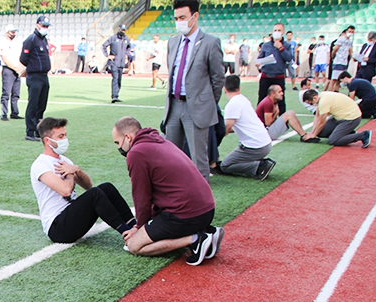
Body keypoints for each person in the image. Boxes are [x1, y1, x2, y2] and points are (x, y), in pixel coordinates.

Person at [112, 116, 222, 266]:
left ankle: (196, 239)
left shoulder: (136, 153)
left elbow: (142, 197)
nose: (119, 147)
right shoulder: (160, 140)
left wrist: (139, 227)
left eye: (118, 143)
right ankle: (207, 232)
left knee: (133, 245)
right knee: (152, 230)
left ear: (128, 137)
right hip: (206, 210)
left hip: (186, 215)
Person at [30, 117, 136, 244]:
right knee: (95, 194)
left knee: (106, 188)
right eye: (61, 136)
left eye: (65, 135)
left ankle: (135, 227)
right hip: (57, 228)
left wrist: (77, 170)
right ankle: (128, 236)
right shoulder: (41, 164)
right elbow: (66, 191)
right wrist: (70, 173)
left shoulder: (65, 160)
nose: (65, 139)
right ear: (47, 140)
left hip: (72, 218)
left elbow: (88, 186)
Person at [163, 0, 225, 183]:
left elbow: (218, 79)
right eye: (176, 18)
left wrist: (206, 104)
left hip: (196, 109)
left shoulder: (211, 43)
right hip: (173, 106)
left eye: (182, 17)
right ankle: (174, 203)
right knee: (170, 159)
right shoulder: (173, 42)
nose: (179, 21)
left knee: (199, 161)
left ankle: (203, 207)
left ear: (195, 16)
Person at [219, 75, 276, 180]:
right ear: (239, 88)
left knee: (225, 166)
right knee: (234, 156)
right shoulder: (243, 99)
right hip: (265, 142)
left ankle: (259, 166)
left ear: (225, 89)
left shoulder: (232, 104)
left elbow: (226, 129)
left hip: (256, 147)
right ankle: (258, 164)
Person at [302, 89, 371, 147]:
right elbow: (317, 116)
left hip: (351, 118)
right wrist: (313, 132)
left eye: (310, 103)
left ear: (314, 98)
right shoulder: (321, 96)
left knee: (333, 140)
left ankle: (362, 135)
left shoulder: (323, 102)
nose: (311, 105)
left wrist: (313, 135)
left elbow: (322, 122)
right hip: (340, 117)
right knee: (320, 132)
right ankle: (348, 133)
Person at [20, 15, 52, 141]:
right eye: (43, 25)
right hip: (34, 76)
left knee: (41, 105)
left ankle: (39, 129)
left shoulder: (44, 40)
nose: (45, 28)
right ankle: (30, 131)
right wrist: (32, 67)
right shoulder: (31, 39)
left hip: (44, 76)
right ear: (37, 25)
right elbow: (23, 58)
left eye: (47, 26)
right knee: (33, 105)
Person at [256, 23, 292, 116]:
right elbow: (260, 58)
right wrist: (258, 63)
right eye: (275, 30)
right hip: (266, 76)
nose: (276, 32)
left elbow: (289, 58)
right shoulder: (266, 45)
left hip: (278, 76)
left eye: (279, 30)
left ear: (283, 32)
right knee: (262, 99)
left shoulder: (287, 45)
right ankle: (260, 121)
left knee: (280, 100)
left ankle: (283, 121)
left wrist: (280, 48)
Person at [0, 24, 24, 121]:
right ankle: (4, 113)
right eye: (12, 32)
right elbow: (5, 59)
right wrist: (15, 68)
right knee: (6, 93)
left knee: (16, 93)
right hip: (8, 70)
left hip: (17, 69)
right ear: (7, 32)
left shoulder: (16, 44)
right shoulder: (3, 43)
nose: (14, 34)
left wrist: (19, 68)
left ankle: (14, 112)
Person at [102, 23, 131, 103]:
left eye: (124, 30)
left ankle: (116, 94)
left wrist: (126, 53)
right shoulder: (113, 38)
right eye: (122, 29)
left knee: (119, 80)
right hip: (114, 62)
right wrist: (107, 55)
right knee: (115, 78)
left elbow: (129, 47)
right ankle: (114, 96)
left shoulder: (126, 39)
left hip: (121, 63)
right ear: (119, 29)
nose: (123, 31)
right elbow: (104, 46)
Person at [328, 26, 355, 92]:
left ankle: (336, 93)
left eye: (352, 32)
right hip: (338, 62)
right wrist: (333, 57)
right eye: (349, 31)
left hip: (344, 62)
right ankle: (330, 94)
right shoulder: (341, 39)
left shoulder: (349, 41)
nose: (350, 33)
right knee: (333, 80)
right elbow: (335, 49)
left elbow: (350, 51)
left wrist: (352, 57)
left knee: (339, 80)